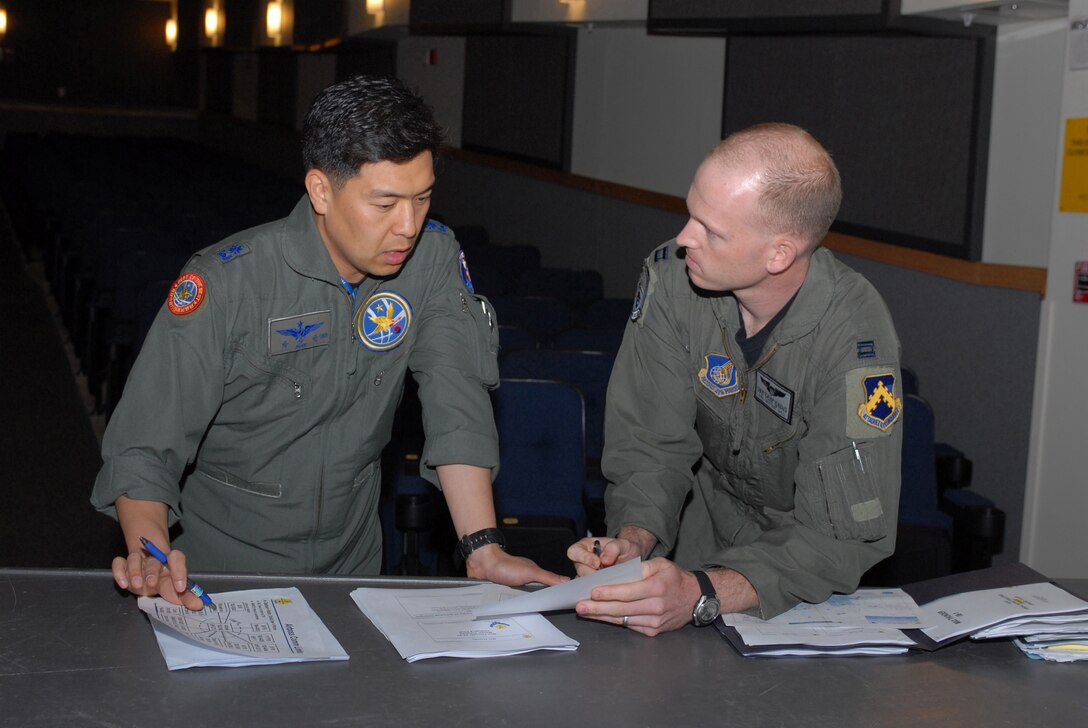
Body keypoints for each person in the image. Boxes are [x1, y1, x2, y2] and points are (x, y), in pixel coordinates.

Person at [91, 75, 562, 610]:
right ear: (321, 190)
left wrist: (482, 548)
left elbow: (459, 400)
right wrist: (150, 552)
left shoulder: (431, 260)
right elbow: (144, 447)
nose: (407, 226)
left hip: (351, 569)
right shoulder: (229, 283)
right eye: (384, 204)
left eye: (423, 198)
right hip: (221, 572)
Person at [569, 123, 903, 635]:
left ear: (779, 254)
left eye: (712, 230)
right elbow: (650, 443)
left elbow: (841, 537)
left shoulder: (854, 338)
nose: (684, 238)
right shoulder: (672, 281)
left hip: (801, 584)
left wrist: (704, 593)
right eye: (691, 214)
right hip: (697, 536)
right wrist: (632, 541)